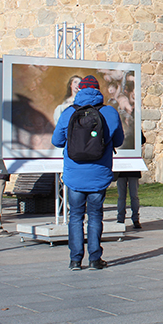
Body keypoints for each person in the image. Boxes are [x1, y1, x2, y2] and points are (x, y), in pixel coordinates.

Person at [52, 75, 124, 271]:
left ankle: (75, 260)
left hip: (74, 174)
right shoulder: (110, 112)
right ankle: (94, 259)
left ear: (80, 90)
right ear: (98, 90)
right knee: (95, 216)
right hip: (99, 174)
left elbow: (57, 141)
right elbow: (118, 141)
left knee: (75, 216)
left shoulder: (68, 113)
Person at [116, 131, 146, 229]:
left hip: (133, 166)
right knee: (121, 196)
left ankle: (135, 218)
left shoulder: (135, 127)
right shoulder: (119, 127)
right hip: (121, 167)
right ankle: (120, 219)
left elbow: (142, 140)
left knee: (134, 195)